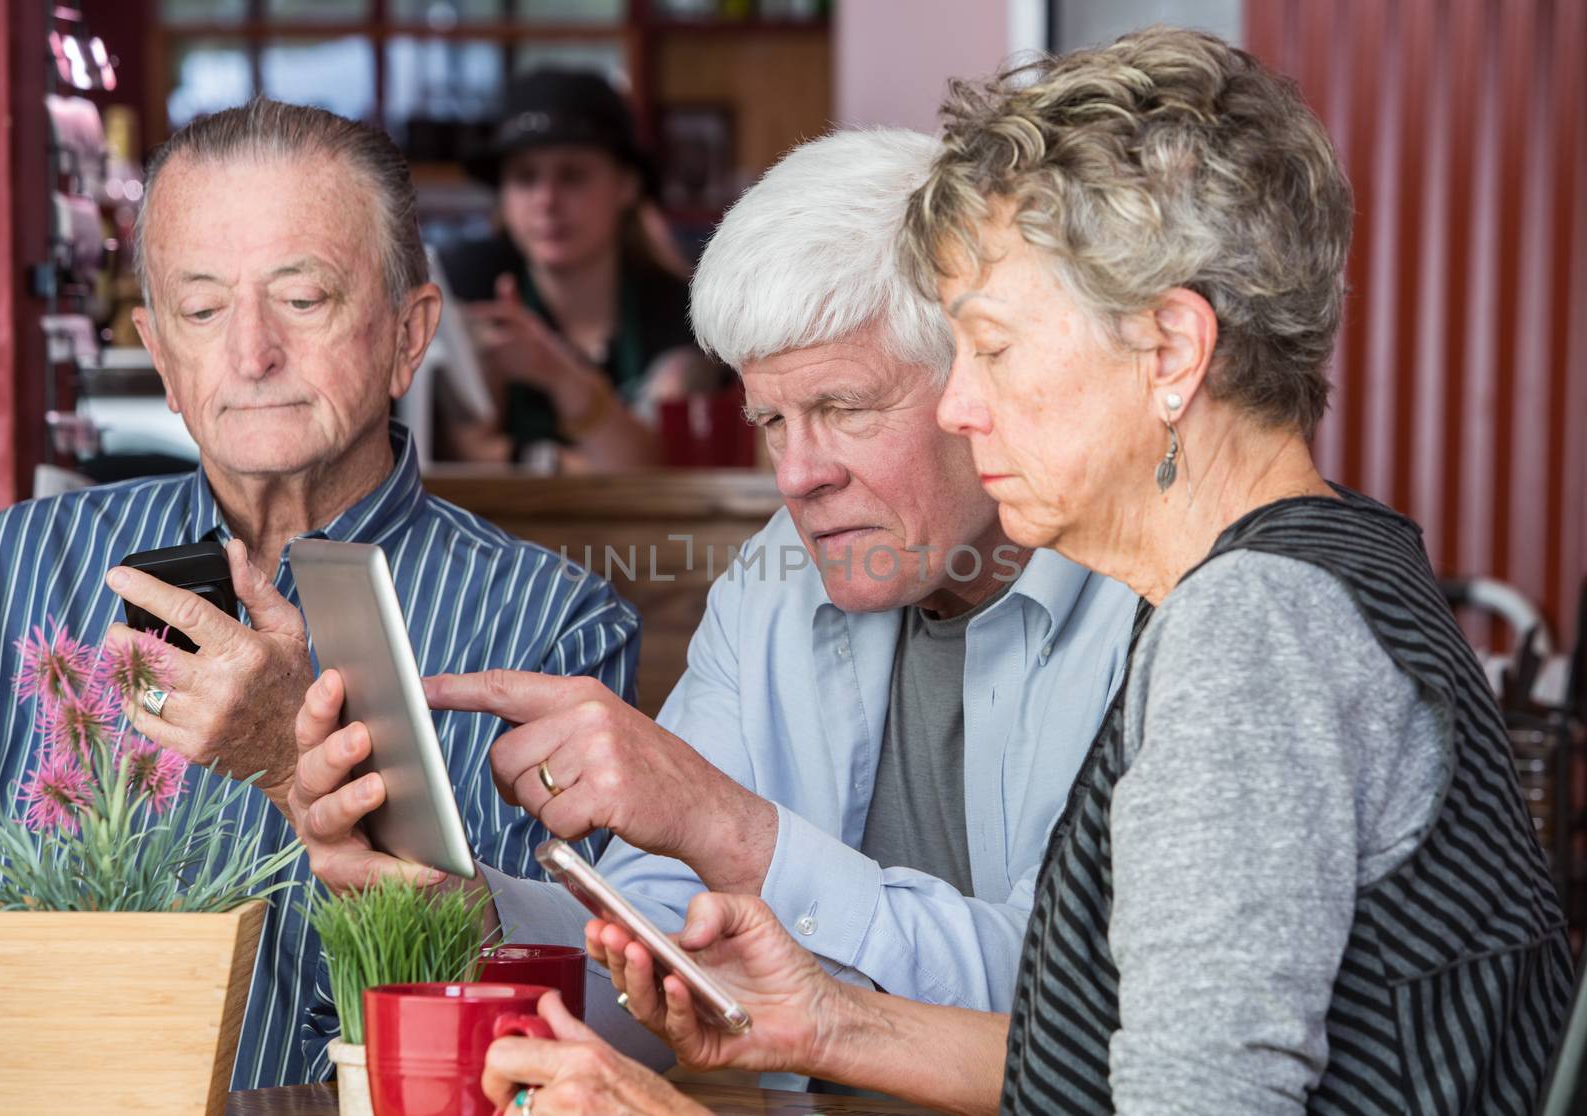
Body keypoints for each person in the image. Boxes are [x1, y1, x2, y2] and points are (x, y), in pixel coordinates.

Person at [475, 27, 1574, 1116]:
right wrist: (828, 1021)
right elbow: (1095, 1057)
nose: (964, 403)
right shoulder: (1323, 566)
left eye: (994, 348)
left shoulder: (1247, 627)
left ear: (1171, 353)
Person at [286, 128, 1139, 1058]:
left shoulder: (1153, 601)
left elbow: (1086, 1004)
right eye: (771, 420)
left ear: (983, 376)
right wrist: (471, 907)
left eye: (845, 410)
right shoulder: (777, 577)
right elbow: (661, 973)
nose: (799, 476)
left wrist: (734, 833)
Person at [0, 98, 640, 1091]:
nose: (251, 355)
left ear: (408, 333)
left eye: (304, 299)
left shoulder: (550, 622)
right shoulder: (15, 568)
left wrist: (300, 769)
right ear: (158, 351)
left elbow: (561, 1008)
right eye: (202, 311)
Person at [438, 69, 718, 470]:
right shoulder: (466, 287)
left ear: (626, 185)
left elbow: (654, 472)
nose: (546, 201)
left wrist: (554, 372)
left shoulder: (687, 316)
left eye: (572, 176)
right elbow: (468, 459)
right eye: (524, 177)